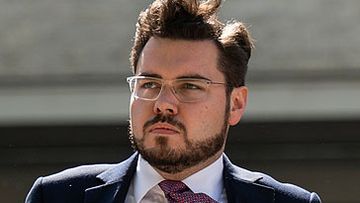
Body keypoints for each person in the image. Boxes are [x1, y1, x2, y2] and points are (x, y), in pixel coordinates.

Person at [25, 0, 322, 202]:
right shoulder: (56, 196)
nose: (163, 103)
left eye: (189, 86)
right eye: (149, 83)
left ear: (236, 104)